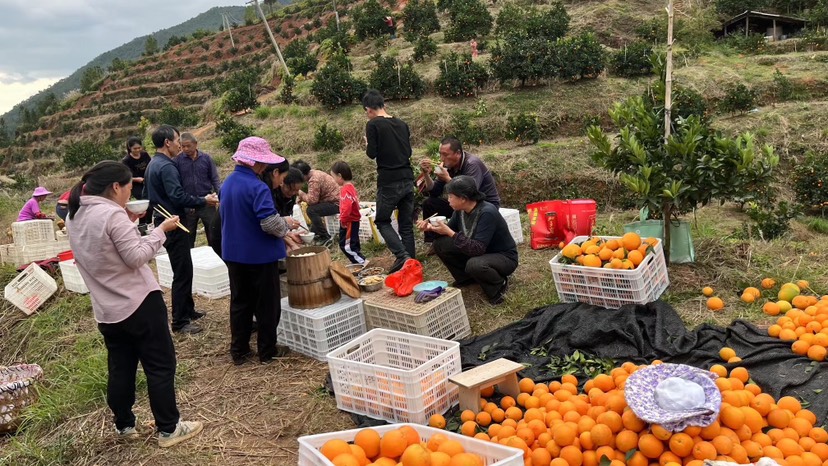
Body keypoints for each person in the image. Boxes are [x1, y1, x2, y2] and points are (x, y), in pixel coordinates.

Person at [65, 160, 203, 448]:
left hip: (107, 310)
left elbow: (107, 250)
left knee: (121, 367)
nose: (130, 194)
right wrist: (161, 231)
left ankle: (125, 425)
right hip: (139, 303)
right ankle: (169, 428)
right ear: (116, 187)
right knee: (160, 366)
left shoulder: (74, 215)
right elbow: (135, 257)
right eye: (129, 188)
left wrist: (130, 224)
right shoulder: (111, 215)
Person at [220, 137, 294, 365]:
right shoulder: (257, 187)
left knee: (240, 303)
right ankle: (267, 351)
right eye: (262, 162)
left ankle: (239, 351)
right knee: (267, 306)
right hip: (259, 256)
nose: (264, 166)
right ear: (254, 163)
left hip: (234, 254)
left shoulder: (228, 183)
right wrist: (286, 226)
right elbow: (268, 223)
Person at [144, 125, 218, 335]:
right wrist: (203, 200)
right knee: (182, 273)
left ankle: (189, 309)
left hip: (166, 220)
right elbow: (178, 196)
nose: (179, 144)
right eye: (177, 140)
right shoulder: (167, 167)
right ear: (167, 142)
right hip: (174, 223)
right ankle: (180, 321)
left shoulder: (154, 164)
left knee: (185, 267)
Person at [417, 175, 518, 305]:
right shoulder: (460, 210)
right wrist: (431, 228)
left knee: (474, 264)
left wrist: (449, 232)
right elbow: (449, 230)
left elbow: (476, 249)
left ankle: (499, 285)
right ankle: (467, 279)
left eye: (451, 196)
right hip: (481, 252)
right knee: (441, 245)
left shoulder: (487, 212)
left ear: (463, 198)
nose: (448, 200)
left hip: (503, 257)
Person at [363, 89, 415, 273]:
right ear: (383, 105)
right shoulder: (402, 124)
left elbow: (372, 154)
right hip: (408, 178)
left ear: (369, 109)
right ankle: (412, 265)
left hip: (389, 181)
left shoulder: (373, 125)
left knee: (383, 221)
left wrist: (367, 143)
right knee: (406, 225)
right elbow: (408, 152)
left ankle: (402, 256)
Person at [418, 136, 500, 247]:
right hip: (463, 202)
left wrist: (447, 178)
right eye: (440, 154)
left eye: (446, 155)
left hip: (484, 204)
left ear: (458, 153)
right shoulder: (448, 165)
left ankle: (456, 239)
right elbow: (434, 191)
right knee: (430, 203)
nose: (442, 158)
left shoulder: (472, 164)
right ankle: (433, 242)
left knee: (458, 205)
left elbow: (470, 193)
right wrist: (426, 174)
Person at [174, 133, 221, 247]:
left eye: (188, 146)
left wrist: (220, 196)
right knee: (188, 235)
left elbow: (214, 179)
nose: (185, 149)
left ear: (195, 144)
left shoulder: (206, 158)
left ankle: (215, 257)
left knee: (213, 232)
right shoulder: (177, 161)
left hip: (208, 202)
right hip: (189, 204)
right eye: (182, 146)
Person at [292, 160, 340, 245]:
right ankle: (316, 233)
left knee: (311, 210)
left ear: (302, 175)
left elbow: (312, 200)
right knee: (314, 210)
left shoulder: (314, 180)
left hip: (336, 204)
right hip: (332, 201)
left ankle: (325, 237)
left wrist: (300, 193)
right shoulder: (315, 173)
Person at [331, 161, 367, 265]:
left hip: (349, 221)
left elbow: (347, 207)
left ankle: (361, 262)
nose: (334, 180)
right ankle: (358, 260)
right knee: (353, 244)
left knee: (346, 246)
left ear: (339, 176)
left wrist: (343, 219)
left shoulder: (345, 190)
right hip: (353, 220)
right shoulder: (351, 187)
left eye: (333, 177)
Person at [122, 137, 152, 233]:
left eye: (139, 148)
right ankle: (142, 228)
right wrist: (136, 179)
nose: (138, 150)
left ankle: (149, 224)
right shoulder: (126, 160)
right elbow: (126, 177)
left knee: (150, 204)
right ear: (130, 148)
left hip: (147, 182)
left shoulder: (145, 155)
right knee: (142, 205)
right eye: (135, 148)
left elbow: (151, 165)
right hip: (136, 185)